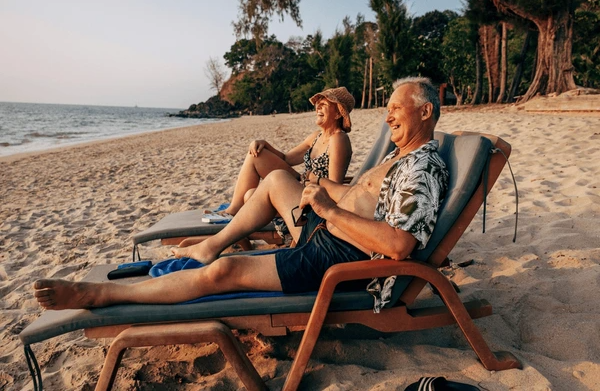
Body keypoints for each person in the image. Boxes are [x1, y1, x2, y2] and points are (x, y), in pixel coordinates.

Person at [33, 77, 449, 313]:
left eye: (397, 107)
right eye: (389, 107)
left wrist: (326, 207)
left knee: (224, 274)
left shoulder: (423, 166)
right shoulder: (401, 156)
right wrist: (321, 190)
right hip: (328, 230)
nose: (389, 114)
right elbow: (363, 197)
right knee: (273, 183)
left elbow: (399, 244)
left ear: (425, 112)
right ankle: (213, 244)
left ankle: (99, 294)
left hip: (337, 259)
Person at [215, 86, 355, 218]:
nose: (317, 107)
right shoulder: (316, 136)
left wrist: (313, 179)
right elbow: (286, 159)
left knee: (251, 196)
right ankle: (234, 209)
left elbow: (334, 186)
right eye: (318, 103)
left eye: (324, 104)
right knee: (255, 158)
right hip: (301, 186)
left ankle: (234, 211)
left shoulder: (338, 139)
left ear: (337, 113)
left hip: (313, 198)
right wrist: (264, 144)